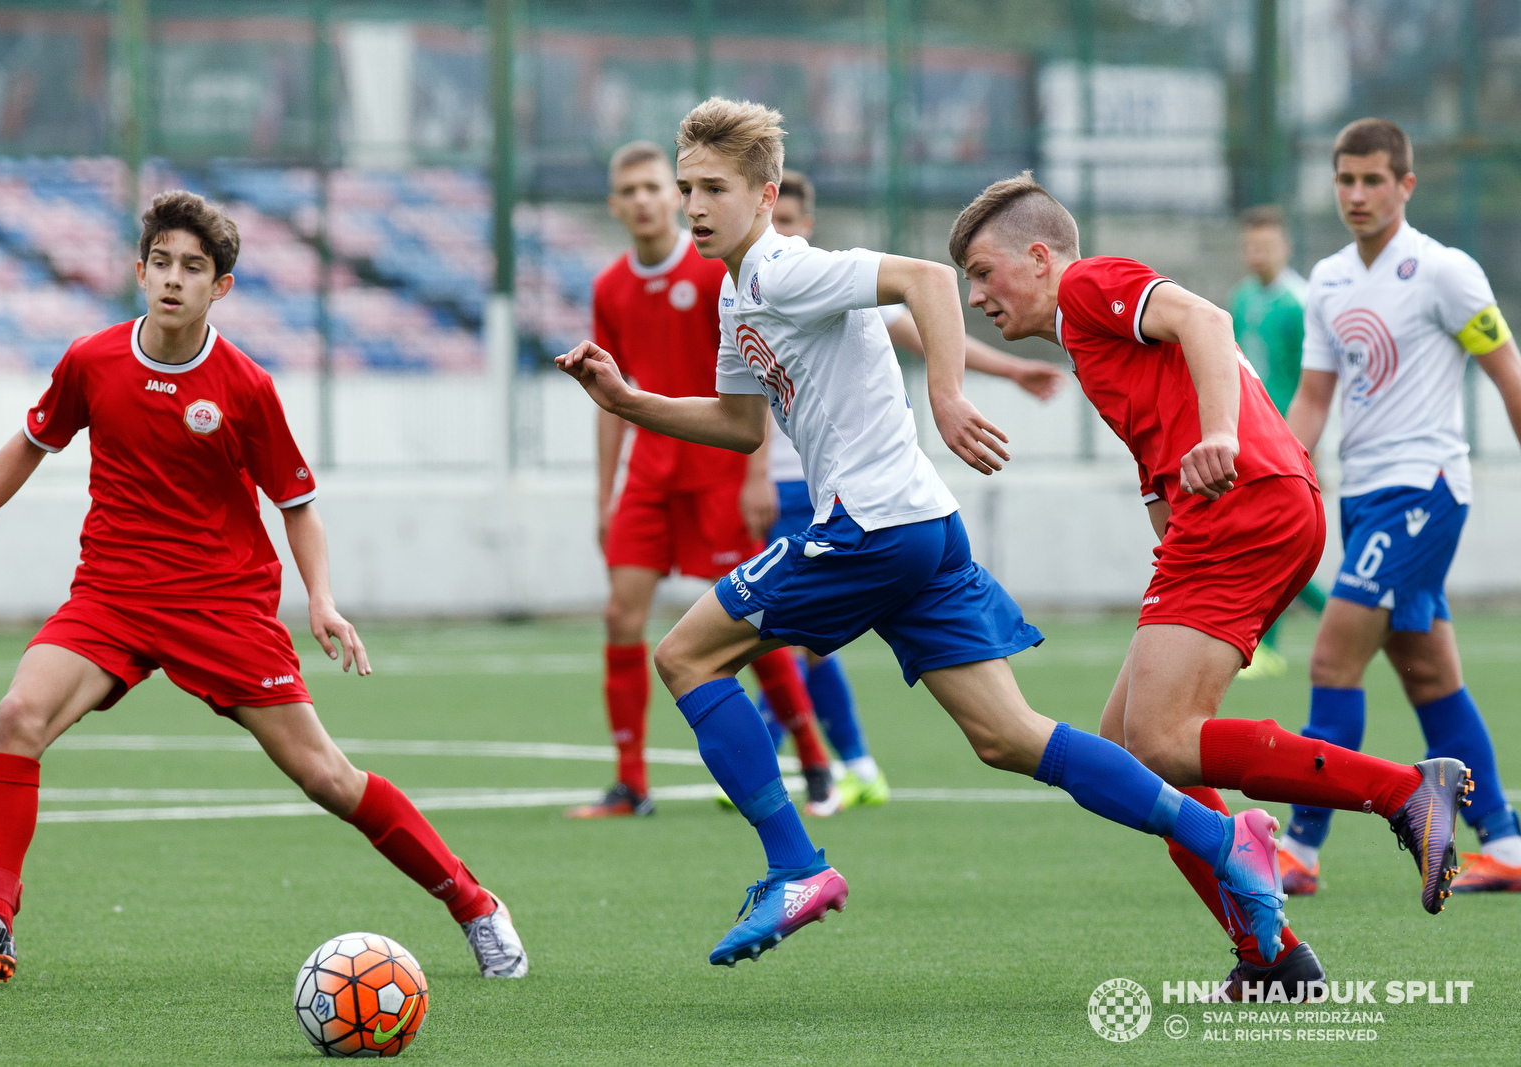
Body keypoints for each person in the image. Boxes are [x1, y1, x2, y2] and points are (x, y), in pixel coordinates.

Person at [557, 98, 1450, 987]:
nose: (694, 205)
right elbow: (741, 424)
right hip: (944, 528)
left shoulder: (828, 271)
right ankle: (1269, 949)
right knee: (1026, 736)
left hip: (881, 524)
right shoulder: (742, 294)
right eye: (687, 189)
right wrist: (626, 400)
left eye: (713, 187)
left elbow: (935, 284)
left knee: (684, 656)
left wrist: (945, 395)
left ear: (764, 193)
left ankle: (797, 864)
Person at [0, 192, 527, 983]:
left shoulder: (244, 386)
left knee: (327, 777)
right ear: (140, 272)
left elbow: (298, 505)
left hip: (222, 603)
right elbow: (30, 443)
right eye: (162, 263)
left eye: (194, 268)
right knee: (18, 712)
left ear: (222, 288)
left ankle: (474, 904)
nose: (174, 279)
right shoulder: (92, 360)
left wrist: (322, 598)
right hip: (112, 594)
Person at [948, 169, 1472, 999]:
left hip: (1245, 505)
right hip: (1239, 513)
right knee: (1130, 745)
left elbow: (1205, 318)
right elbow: (1159, 439)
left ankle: (1408, 792)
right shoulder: (1089, 342)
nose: (976, 296)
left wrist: (1221, 435)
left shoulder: (1087, 287)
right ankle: (1272, 955)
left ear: (1040, 258)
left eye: (982, 272)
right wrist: (1167, 517)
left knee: (1156, 741)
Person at [743, 169, 1065, 808]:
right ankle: (825, 762)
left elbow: (926, 310)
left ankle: (813, 791)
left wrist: (987, 379)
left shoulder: (814, 280)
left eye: (790, 220)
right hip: (834, 495)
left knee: (712, 651)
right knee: (1006, 736)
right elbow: (741, 405)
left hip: (862, 509)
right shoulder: (743, 296)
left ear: (794, 221)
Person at [1276, 118, 1521, 895]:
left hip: (1426, 491)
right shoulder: (1327, 280)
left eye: (1373, 179)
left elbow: (1507, 372)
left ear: (1405, 186)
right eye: (1345, 179)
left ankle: (1300, 851)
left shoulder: (1446, 272)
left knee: (1329, 659)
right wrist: (1277, 471)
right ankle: (1508, 844)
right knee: (1426, 673)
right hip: (1365, 495)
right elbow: (1313, 399)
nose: (1356, 194)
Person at [566, 141, 841, 821]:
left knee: (748, 621)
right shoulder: (609, 288)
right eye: (627, 191)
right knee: (620, 616)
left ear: (674, 194)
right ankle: (631, 784)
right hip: (649, 478)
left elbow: (753, 381)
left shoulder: (713, 270)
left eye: (653, 187)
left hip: (719, 474)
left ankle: (811, 754)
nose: (642, 200)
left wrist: (755, 478)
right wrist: (604, 496)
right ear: (615, 205)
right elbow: (612, 397)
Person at [1227, 205, 1329, 680]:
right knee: (1262, 542)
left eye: (1265, 245)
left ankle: (1266, 646)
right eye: (1250, 245)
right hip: (1250, 435)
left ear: (1285, 248)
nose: (1256, 253)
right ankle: (1338, 619)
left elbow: (1319, 383)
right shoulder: (1242, 297)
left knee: (1269, 542)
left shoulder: (1300, 301)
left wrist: (1315, 447)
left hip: (1290, 439)